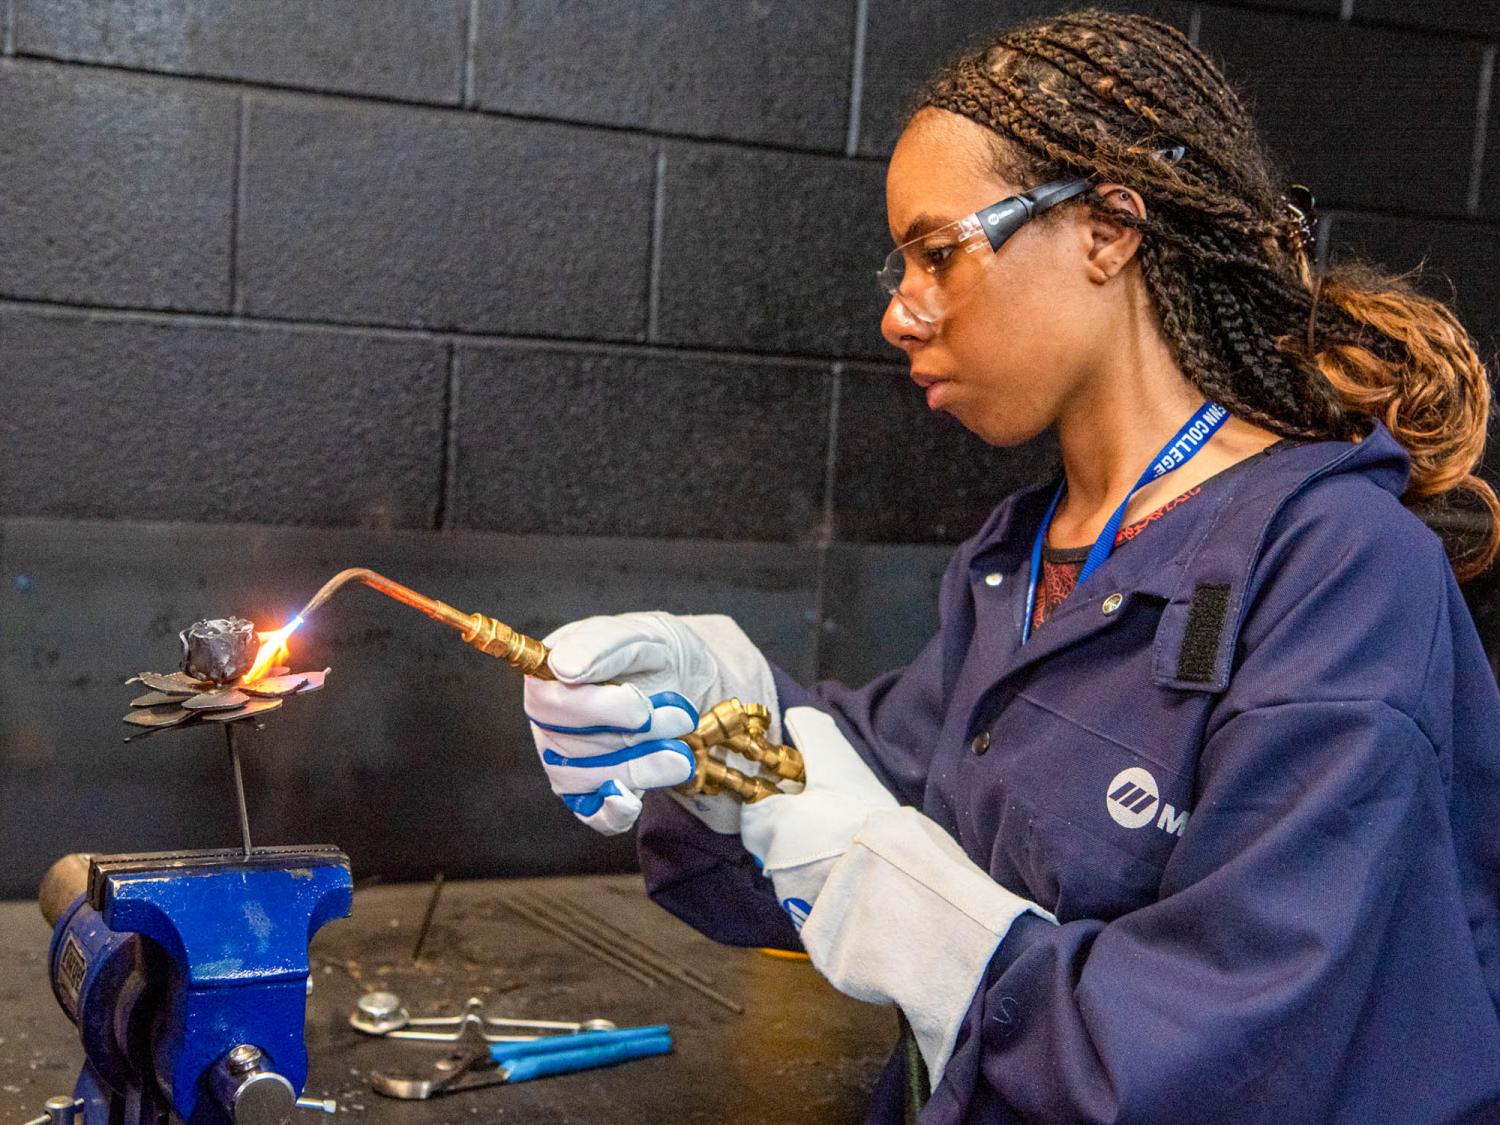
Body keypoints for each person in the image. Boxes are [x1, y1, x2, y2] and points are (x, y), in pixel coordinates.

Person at [522, 10, 1500, 1122]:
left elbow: (1236, 1051)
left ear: (1108, 229)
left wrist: (913, 915)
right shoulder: (1023, 560)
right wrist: (714, 734)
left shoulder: (1339, 571)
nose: (901, 312)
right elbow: (897, 785)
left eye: (940, 252)